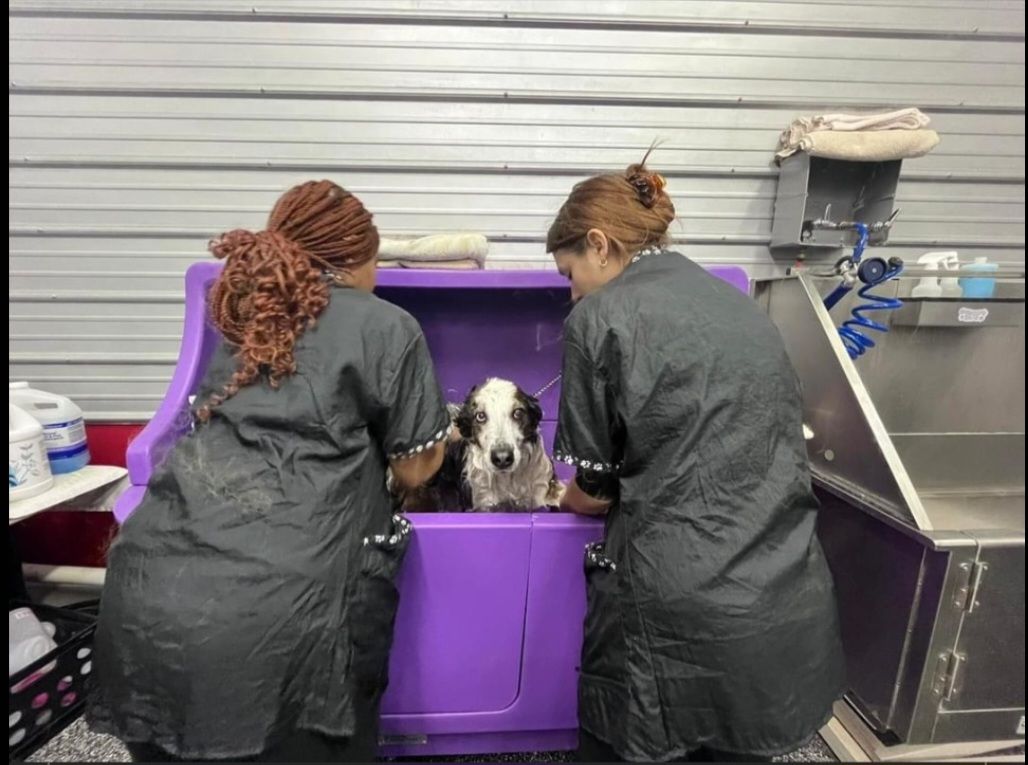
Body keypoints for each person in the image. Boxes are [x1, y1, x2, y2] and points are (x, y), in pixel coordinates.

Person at [88, 180, 452, 762]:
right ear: (359, 259)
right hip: (288, 626)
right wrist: (434, 435)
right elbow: (416, 469)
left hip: (145, 599)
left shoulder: (243, 318)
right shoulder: (387, 325)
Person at [547, 156, 846, 763]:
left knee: (634, 743)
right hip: (779, 594)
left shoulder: (598, 318)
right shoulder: (739, 306)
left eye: (568, 272)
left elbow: (597, 487)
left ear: (599, 245)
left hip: (672, 608)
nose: (571, 290)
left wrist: (559, 496)